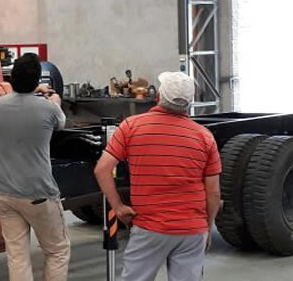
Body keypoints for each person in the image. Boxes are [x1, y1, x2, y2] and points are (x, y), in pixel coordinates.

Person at [93, 71, 222, 281]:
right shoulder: (204, 137)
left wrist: (118, 207)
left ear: (159, 96)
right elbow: (214, 193)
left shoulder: (131, 126)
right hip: (192, 230)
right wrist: (206, 227)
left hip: (149, 227)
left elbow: (102, 169)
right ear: (189, 102)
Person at [0, 53, 71, 281]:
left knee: (17, 255)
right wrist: (53, 99)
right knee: (57, 251)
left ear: (11, 78)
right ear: (36, 82)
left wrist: (33, 92)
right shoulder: (49, 109)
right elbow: (60, 123)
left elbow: (13, 101)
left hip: (4, 192)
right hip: (39, 194)